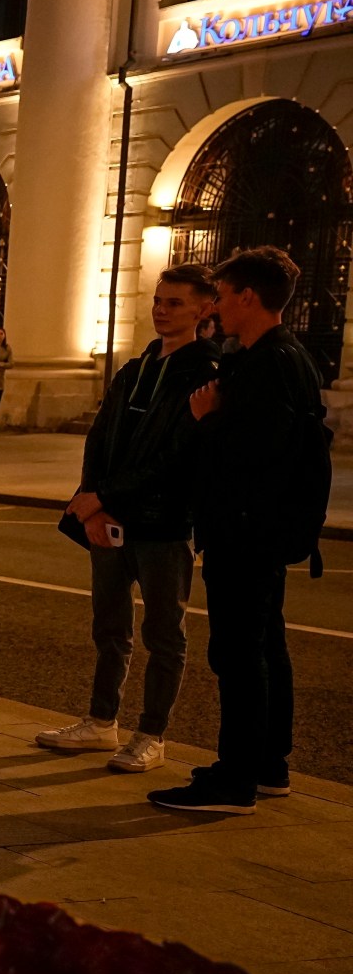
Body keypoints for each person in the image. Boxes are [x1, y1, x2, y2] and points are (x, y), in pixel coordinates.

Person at [152, 246, 328, 815]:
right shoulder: (283, 355)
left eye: (223, 297)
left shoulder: (267, 362)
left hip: (245, 530)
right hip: (261, 529)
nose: (216, 309)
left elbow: (256, 455)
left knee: (238, 654)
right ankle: (267, 765)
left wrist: (208, 421)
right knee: (265, 646)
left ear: (248, 296)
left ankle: (235, 781)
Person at [39, 267, 220, 776]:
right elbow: (100, 437)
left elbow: (175, 454)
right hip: (112, 518)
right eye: (160, 301)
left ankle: (151, 733)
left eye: (177, 303)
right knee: (110, 626)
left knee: (165, 632)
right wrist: (88, 502)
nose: (162, 310)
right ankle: (101, 722)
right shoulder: (136, 367)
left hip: (163, 523)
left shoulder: (204, 370)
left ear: (205, 309)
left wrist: (103, 498)